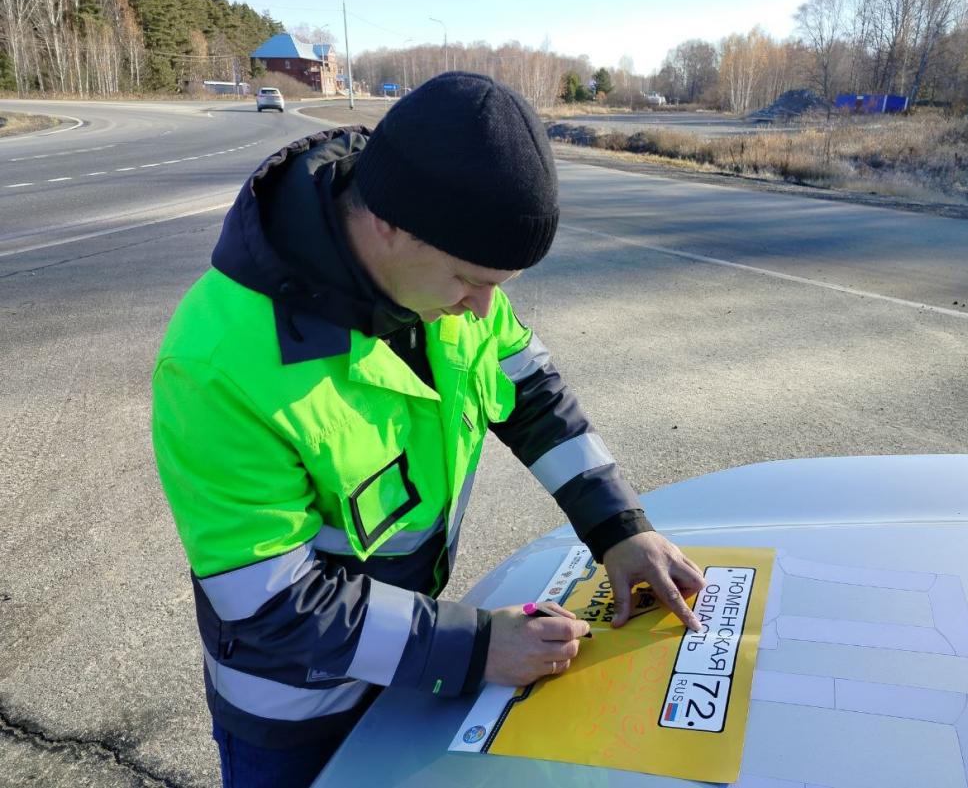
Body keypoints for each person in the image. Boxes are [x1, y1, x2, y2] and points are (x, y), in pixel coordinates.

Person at [152, 71, 706, 788]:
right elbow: (273, 602)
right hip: (298, 715)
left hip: (414, 664)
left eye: (500, 284)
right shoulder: (218, 364)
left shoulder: (447, 277)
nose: (483, 309)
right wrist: (476, 650)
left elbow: (532, 393)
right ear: (388, 223)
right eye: (470, 279)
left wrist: (619, 526)